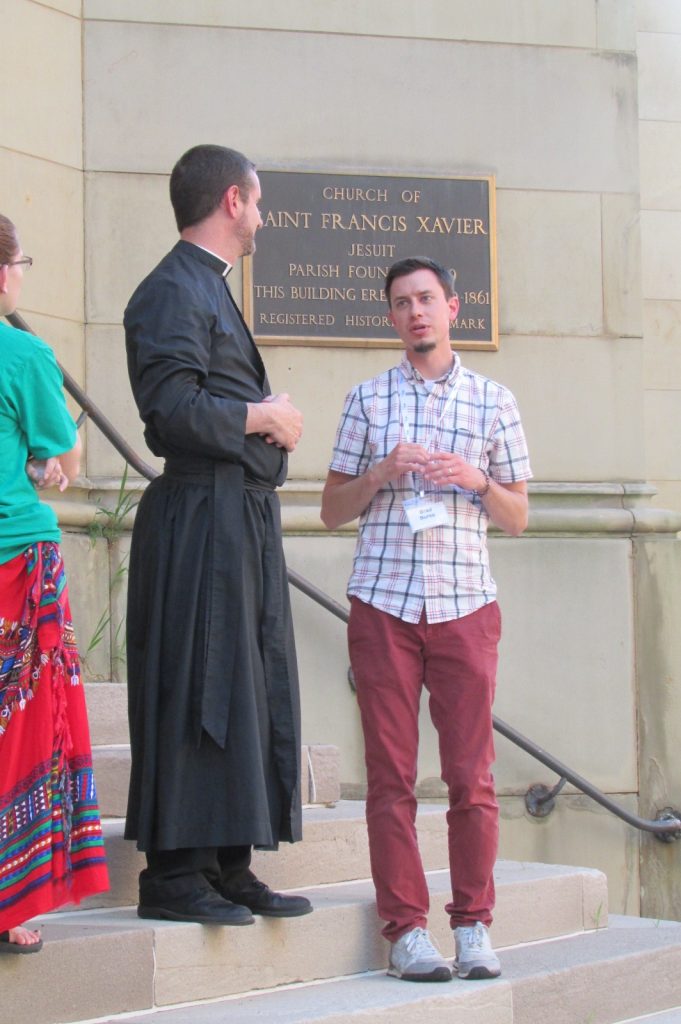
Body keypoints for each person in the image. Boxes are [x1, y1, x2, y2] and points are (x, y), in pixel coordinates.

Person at [321, 257, 531, 982]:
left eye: (426, 300)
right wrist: (381, 472)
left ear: (452, 308)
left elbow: (518, 518)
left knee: (471, 777)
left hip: (464, 605)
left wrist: (475, 481)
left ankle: (473, 927)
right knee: (390, 777)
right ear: (390, 318)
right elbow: (329, 510)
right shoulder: (366, 400)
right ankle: (405, 931)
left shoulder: (493, 401)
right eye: (401, 303)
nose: (415, 312)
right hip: (381, 604)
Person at [123, 144, 311, 926]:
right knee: (197, 682)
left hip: (234, 520)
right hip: (199, 519)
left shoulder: (206, 288)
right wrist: (260, 417)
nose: (263, 218)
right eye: (259, 202)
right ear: (231, 200)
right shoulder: (171, 290)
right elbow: (168, 411)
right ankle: (173, 876)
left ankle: (228, 861)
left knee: (239, 685)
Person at [0, 214, 109, 954]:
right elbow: (58, 457)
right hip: (15, 556)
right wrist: (50, 466)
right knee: (23, 726)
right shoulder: (23, 353)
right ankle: (11, 900)